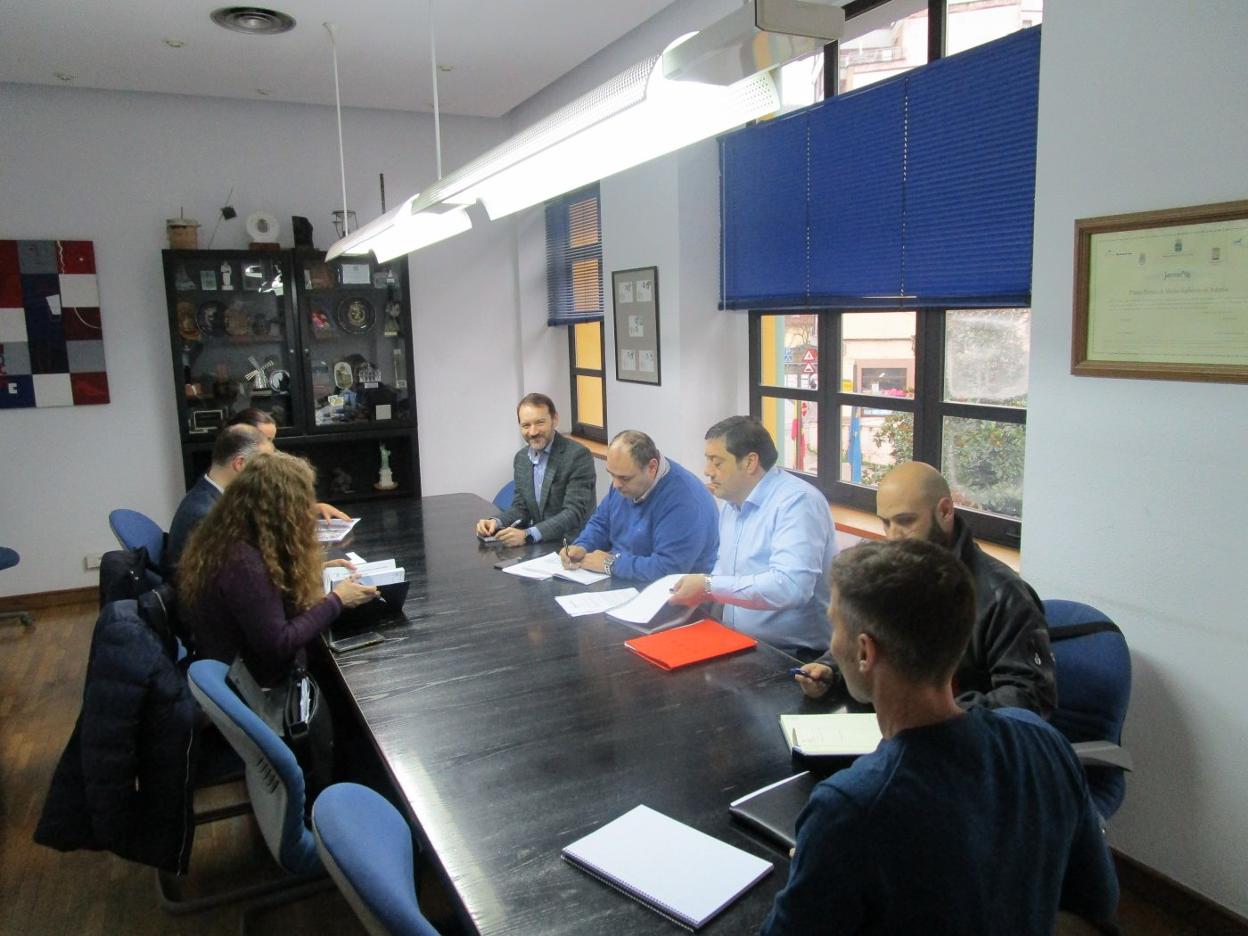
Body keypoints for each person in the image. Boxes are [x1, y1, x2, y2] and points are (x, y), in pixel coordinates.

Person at [761, 538, 1119, 935]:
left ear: (864, 652)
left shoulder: (848, 810)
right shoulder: (1043, 742)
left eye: (834, 626)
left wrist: (815, 862)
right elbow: (1099, 899)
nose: (831, 643)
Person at [795, 460, 1056, 716]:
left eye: (906, 521)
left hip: (966, 736)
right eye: (886, 522)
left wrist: (936, 715)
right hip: (895, 725)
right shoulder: (892, 573)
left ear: (945, 512)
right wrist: (830, 670)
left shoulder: (1003, 594)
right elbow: (865, 640)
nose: (893, 536)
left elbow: (1031, 695)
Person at [178, 450, 376, 687]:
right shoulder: (243, 564)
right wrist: (337, 600)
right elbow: (279, 643)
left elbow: (265, 596)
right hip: (261, 683)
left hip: (246, 664)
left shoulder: (232, 535)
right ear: (282, 509)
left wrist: (316, 570)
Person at [668, 416, 837, 661]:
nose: (707, 471)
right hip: (735, 642)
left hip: (792, 657)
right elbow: (726, 573)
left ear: (750, 462)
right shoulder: (732, 503)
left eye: (717, 462)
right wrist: (699, 592)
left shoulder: (797, 502)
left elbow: (791, 587)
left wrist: (708, 586)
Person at [559, 430, 717, 582]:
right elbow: (602, 523)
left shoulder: (684, 502)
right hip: (624, 579)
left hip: (673, 593)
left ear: (652, 467)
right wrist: (582, 546)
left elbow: (668, 568)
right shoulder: (624, 483)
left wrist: (611, 564)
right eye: (612, 474)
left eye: (624, 478)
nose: (616, 484)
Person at [474, 393, 597, 547]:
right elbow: (521, 508)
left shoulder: (577, 456)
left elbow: (573, 513)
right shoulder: (521, 459)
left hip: (573, 545)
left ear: (555, 419)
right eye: (526, 425)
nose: (533, 432)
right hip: (540, 544)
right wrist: (496, 522)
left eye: (539, 423)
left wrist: (528, 535)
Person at [165, 423, 273, 570]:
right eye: (262, 465)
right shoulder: (205, 515)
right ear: (240, 463)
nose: (267, 473)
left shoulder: (208, 493)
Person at [231, 408, 350, 521]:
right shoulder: (229, 489)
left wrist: (313, 509)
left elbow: (273, 510)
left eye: (272, 440)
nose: (271, 448)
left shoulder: (264, 475)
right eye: (265, 440)